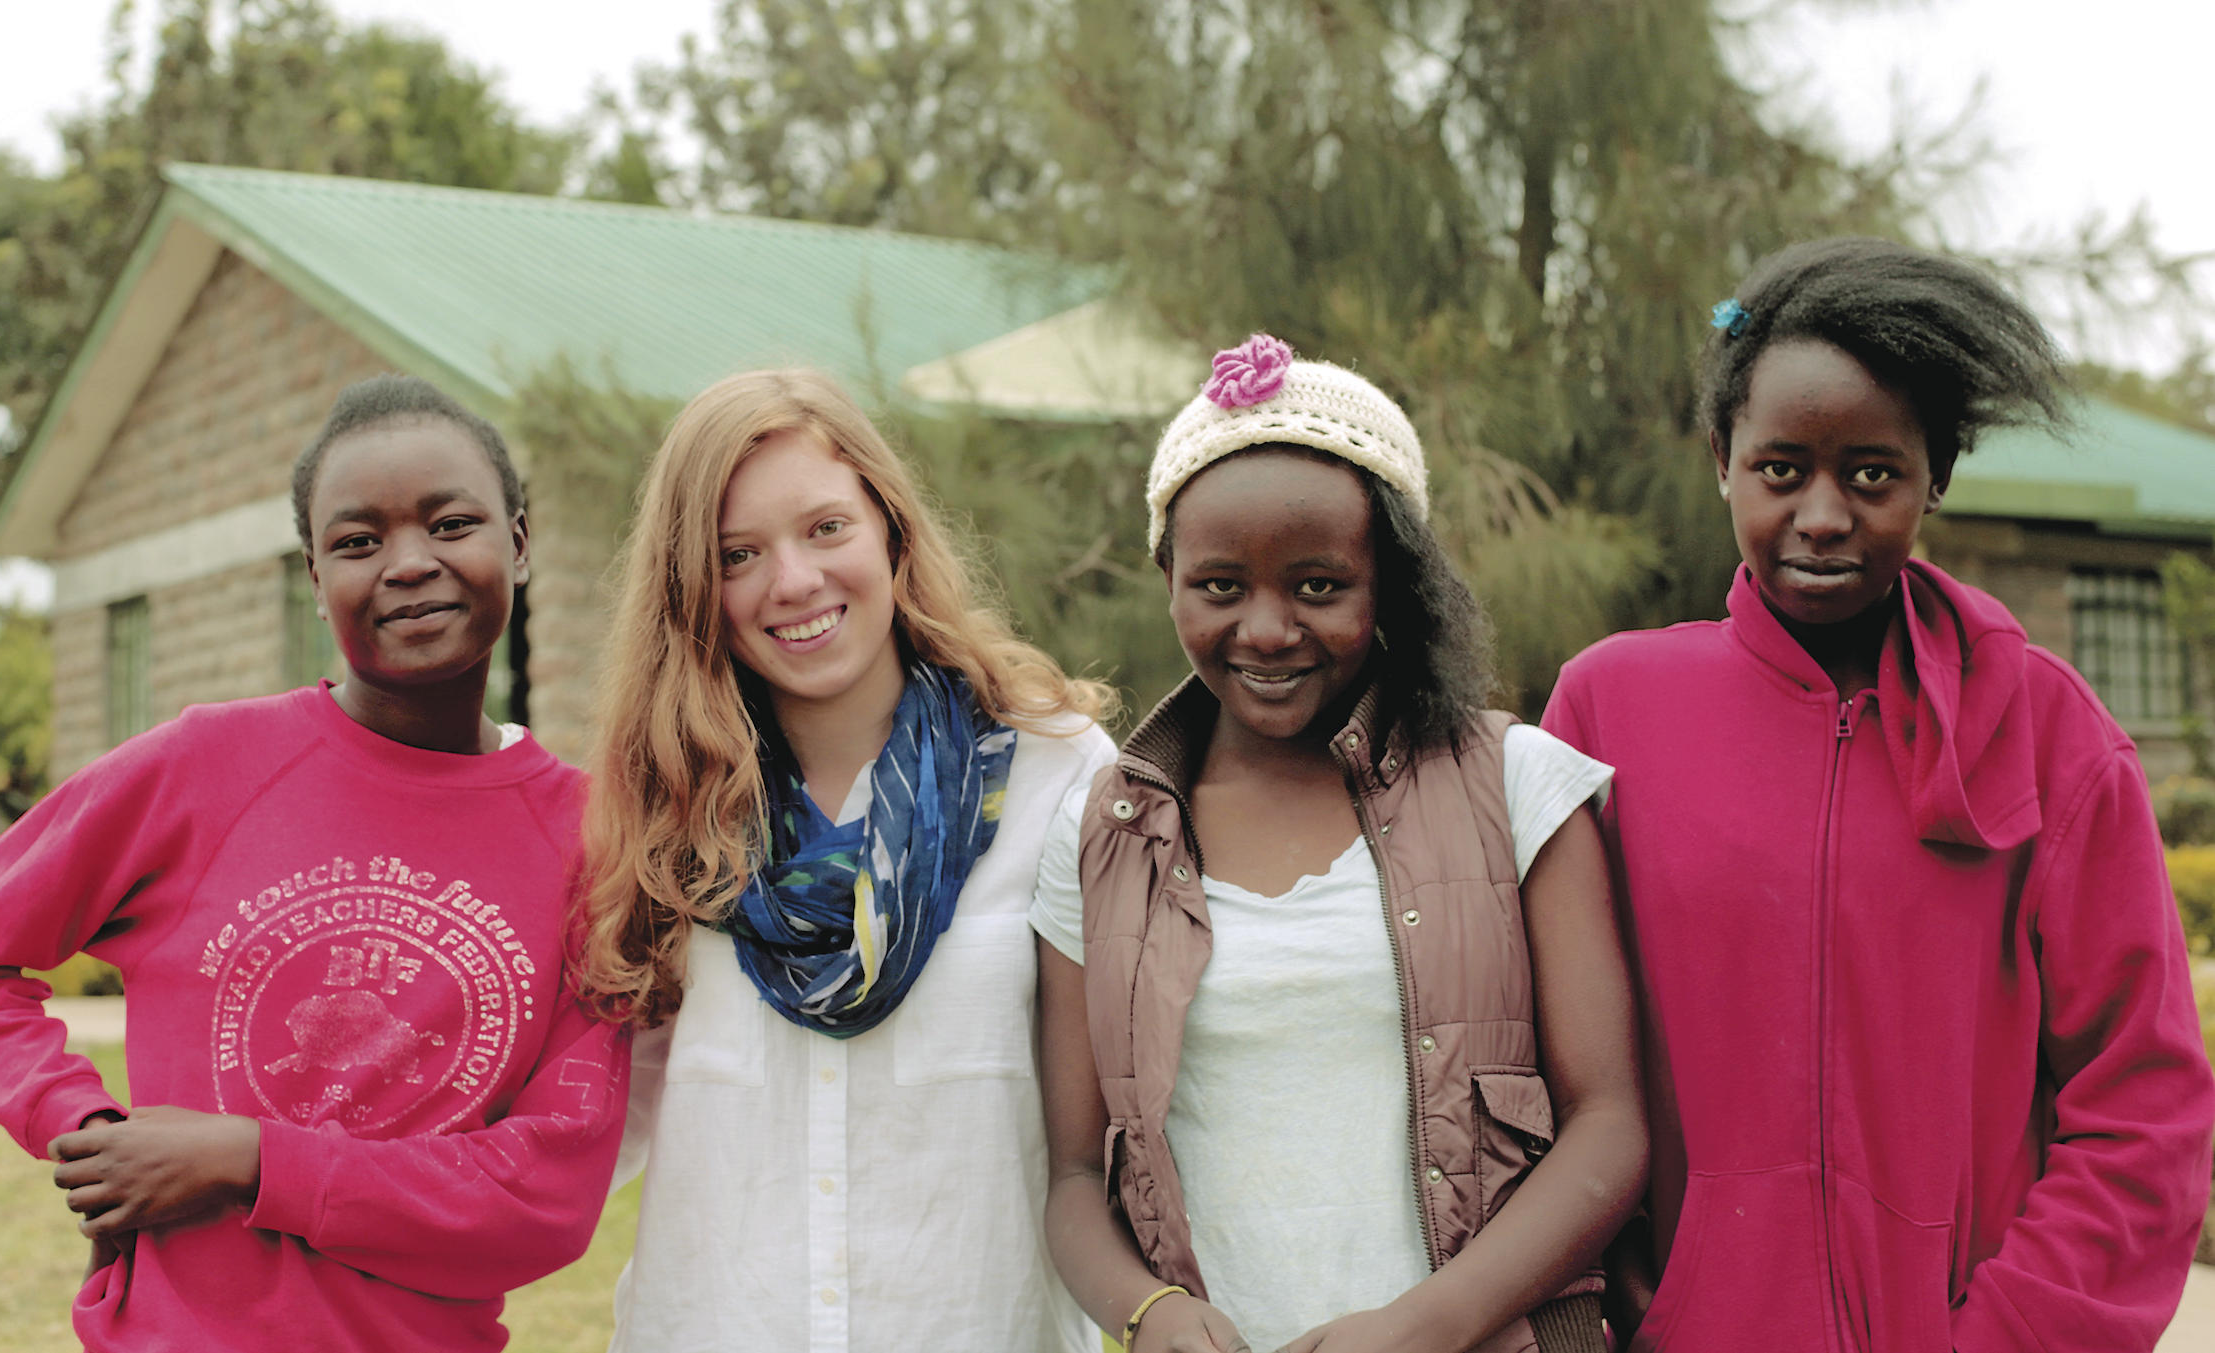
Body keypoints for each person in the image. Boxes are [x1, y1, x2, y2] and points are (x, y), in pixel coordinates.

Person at [1542, 237, 2215, 1351]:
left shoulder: (2050, 734)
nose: (1821, 515)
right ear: (1720, 459)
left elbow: (2141, 1098)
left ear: (1933, 476)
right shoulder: (1607, 709)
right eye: (1780, 469)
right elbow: (1534, 1068)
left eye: (1870, 474)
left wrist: (2001, 1336)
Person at [0, 374, 629, 1353]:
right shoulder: (205, 767)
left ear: (520, 544)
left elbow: (541, 1202)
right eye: (358, 542)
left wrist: (249, 1159)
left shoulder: (591, 842)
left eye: (451, 524)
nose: (410, 563)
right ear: (315, 581)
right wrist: (85, 1125)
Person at [1032, 334, 1647, 1353]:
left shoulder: (1517, 785)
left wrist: (1425, 1325)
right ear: (1168, 577)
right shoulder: (1103, 834)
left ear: (1389, 582)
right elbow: (1068, 1175)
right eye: (1219, 586)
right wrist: (1146, 1312)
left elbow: (1609, 1126)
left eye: (1317, 585)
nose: (1266, 630)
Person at [574, 367, 1118, 1351]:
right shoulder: (660, 814)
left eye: (826, 528)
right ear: (693, 590)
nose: (791, 581)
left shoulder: (1057, 776)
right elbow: (580, 1137)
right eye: (737, 554)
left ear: (891, 532)